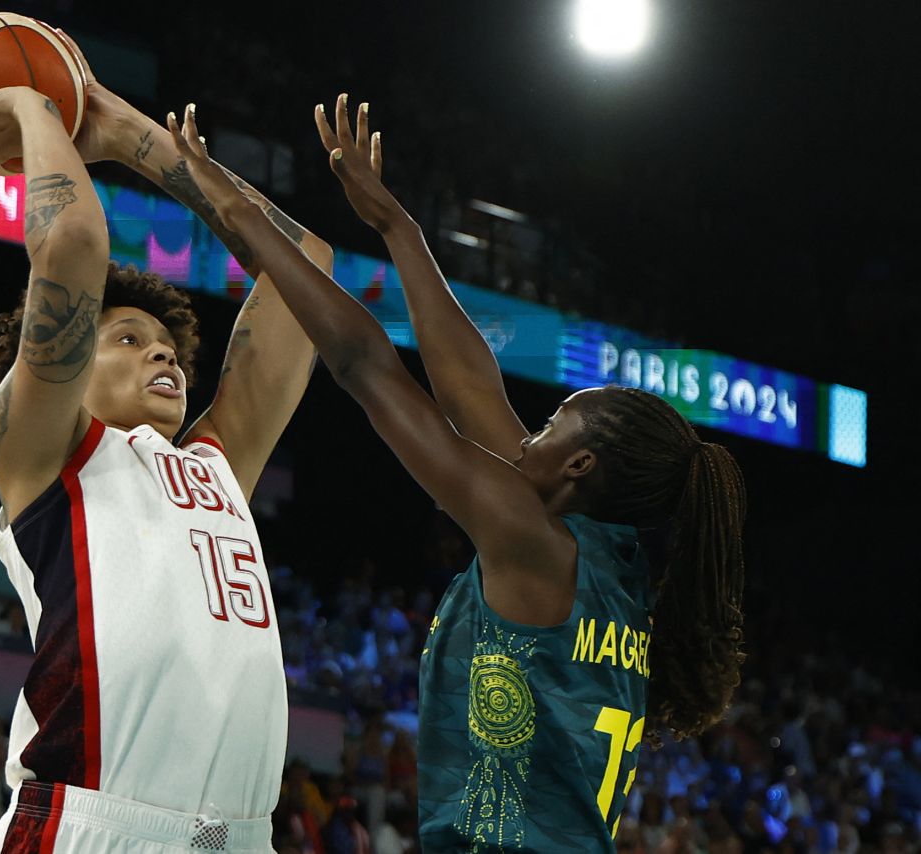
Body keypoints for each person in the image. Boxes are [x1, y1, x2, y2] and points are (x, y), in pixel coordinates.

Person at [166, 96, 747, 852]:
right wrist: (396, 225)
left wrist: (239, 218)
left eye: (547, 425)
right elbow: (472, 390)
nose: (524, 435)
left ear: (578, 465)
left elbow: (365, 365)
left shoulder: (534, 539)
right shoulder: (607, 564)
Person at [0, 30, 332, 851]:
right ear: (65, 368)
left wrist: (121, 131)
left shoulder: (215, 465)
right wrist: (39, 108)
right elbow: (72, 245)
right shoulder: (45, 454)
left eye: (168, 344)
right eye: (128, 340)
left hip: (239, 837)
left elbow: (306, 266)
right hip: (90, 824)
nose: (162, 353)